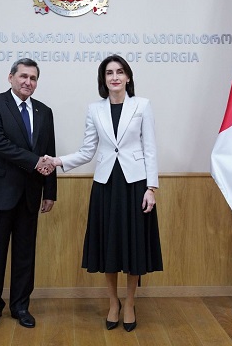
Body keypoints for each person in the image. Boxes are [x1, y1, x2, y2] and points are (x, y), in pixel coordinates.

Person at [46, 54, 162, 332]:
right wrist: (58, 161)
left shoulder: (142, 105)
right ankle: (113, 302)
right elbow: (88, 150)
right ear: (103, 79)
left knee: (134, 246)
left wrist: (151, 188)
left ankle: (130, 303)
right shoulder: (94, 109)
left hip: (135, 184)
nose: (115, 77)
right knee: (109, 245)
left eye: (120, 72)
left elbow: (150, 148)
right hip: (106, 185)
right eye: (109, 73)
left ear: (128, 77)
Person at [0, 58, 57, 329]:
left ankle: (21, 306)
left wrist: (50, 191)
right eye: (23, 76)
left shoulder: (44, 111)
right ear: (10, 77)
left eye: (33, 78)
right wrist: (34, 161)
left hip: (30, 194)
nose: (27, 82)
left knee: (25, 255)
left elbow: (49, 152)